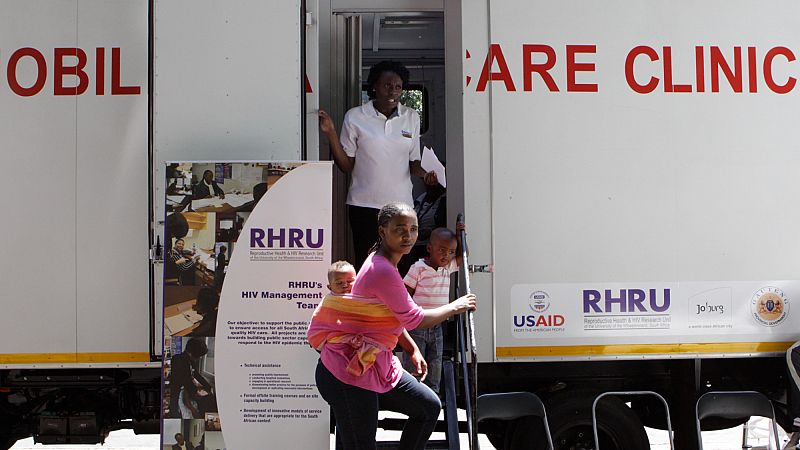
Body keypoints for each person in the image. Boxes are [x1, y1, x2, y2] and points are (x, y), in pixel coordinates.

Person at [308, 202, 476, 450]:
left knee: (428, 407)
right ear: (382, 231)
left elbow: (386, 317)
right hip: (347, 373)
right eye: (400, 229)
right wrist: (457, 305)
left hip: (373, 364)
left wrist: (411, 349)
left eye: (413, 229)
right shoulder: (382, 269)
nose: (408, 236)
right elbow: (414, 318)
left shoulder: (382, 262)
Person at [319, 60, 438, 270]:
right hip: (364, 205)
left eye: (398, 87)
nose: (393, 91)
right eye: (387, 85)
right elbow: (346, 165)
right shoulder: (355, 116)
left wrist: (427, 174)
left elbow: (414, 162)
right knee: (368, 267)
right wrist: (330, 133)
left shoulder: (411, 116)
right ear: (374, 86)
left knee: (400, 266)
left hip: (401, 207)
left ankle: (396, 305)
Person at [400, 225, 464, 395]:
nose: (447, 255)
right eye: (442, 250)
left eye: (451, 251)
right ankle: (411, 395)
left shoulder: (447, 268)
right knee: (414, 363)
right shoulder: (418, 268)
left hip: (437, 327)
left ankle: (432, 395)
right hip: (417, 325)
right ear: (429, 248)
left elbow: (464, 256)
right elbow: (406, 294)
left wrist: (460, 235)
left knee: (435, 362)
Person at [398, 181, 447, 275]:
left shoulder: (445, 199)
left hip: (430, 249)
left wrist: (431, 232)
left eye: (434, 182)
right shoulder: (420, 198)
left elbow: (445, 224)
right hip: (413, 245)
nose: (431, 184)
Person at [168, 338, 213, 419]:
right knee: (178, 412)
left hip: (184, 391)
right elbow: (186, 381)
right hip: (178, 393)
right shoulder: (179, 360)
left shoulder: (189, 360)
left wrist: (208, 386)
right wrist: (198, 392)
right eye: (199, 356)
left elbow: (196, 374)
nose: (199, 358)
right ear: (192, 353)